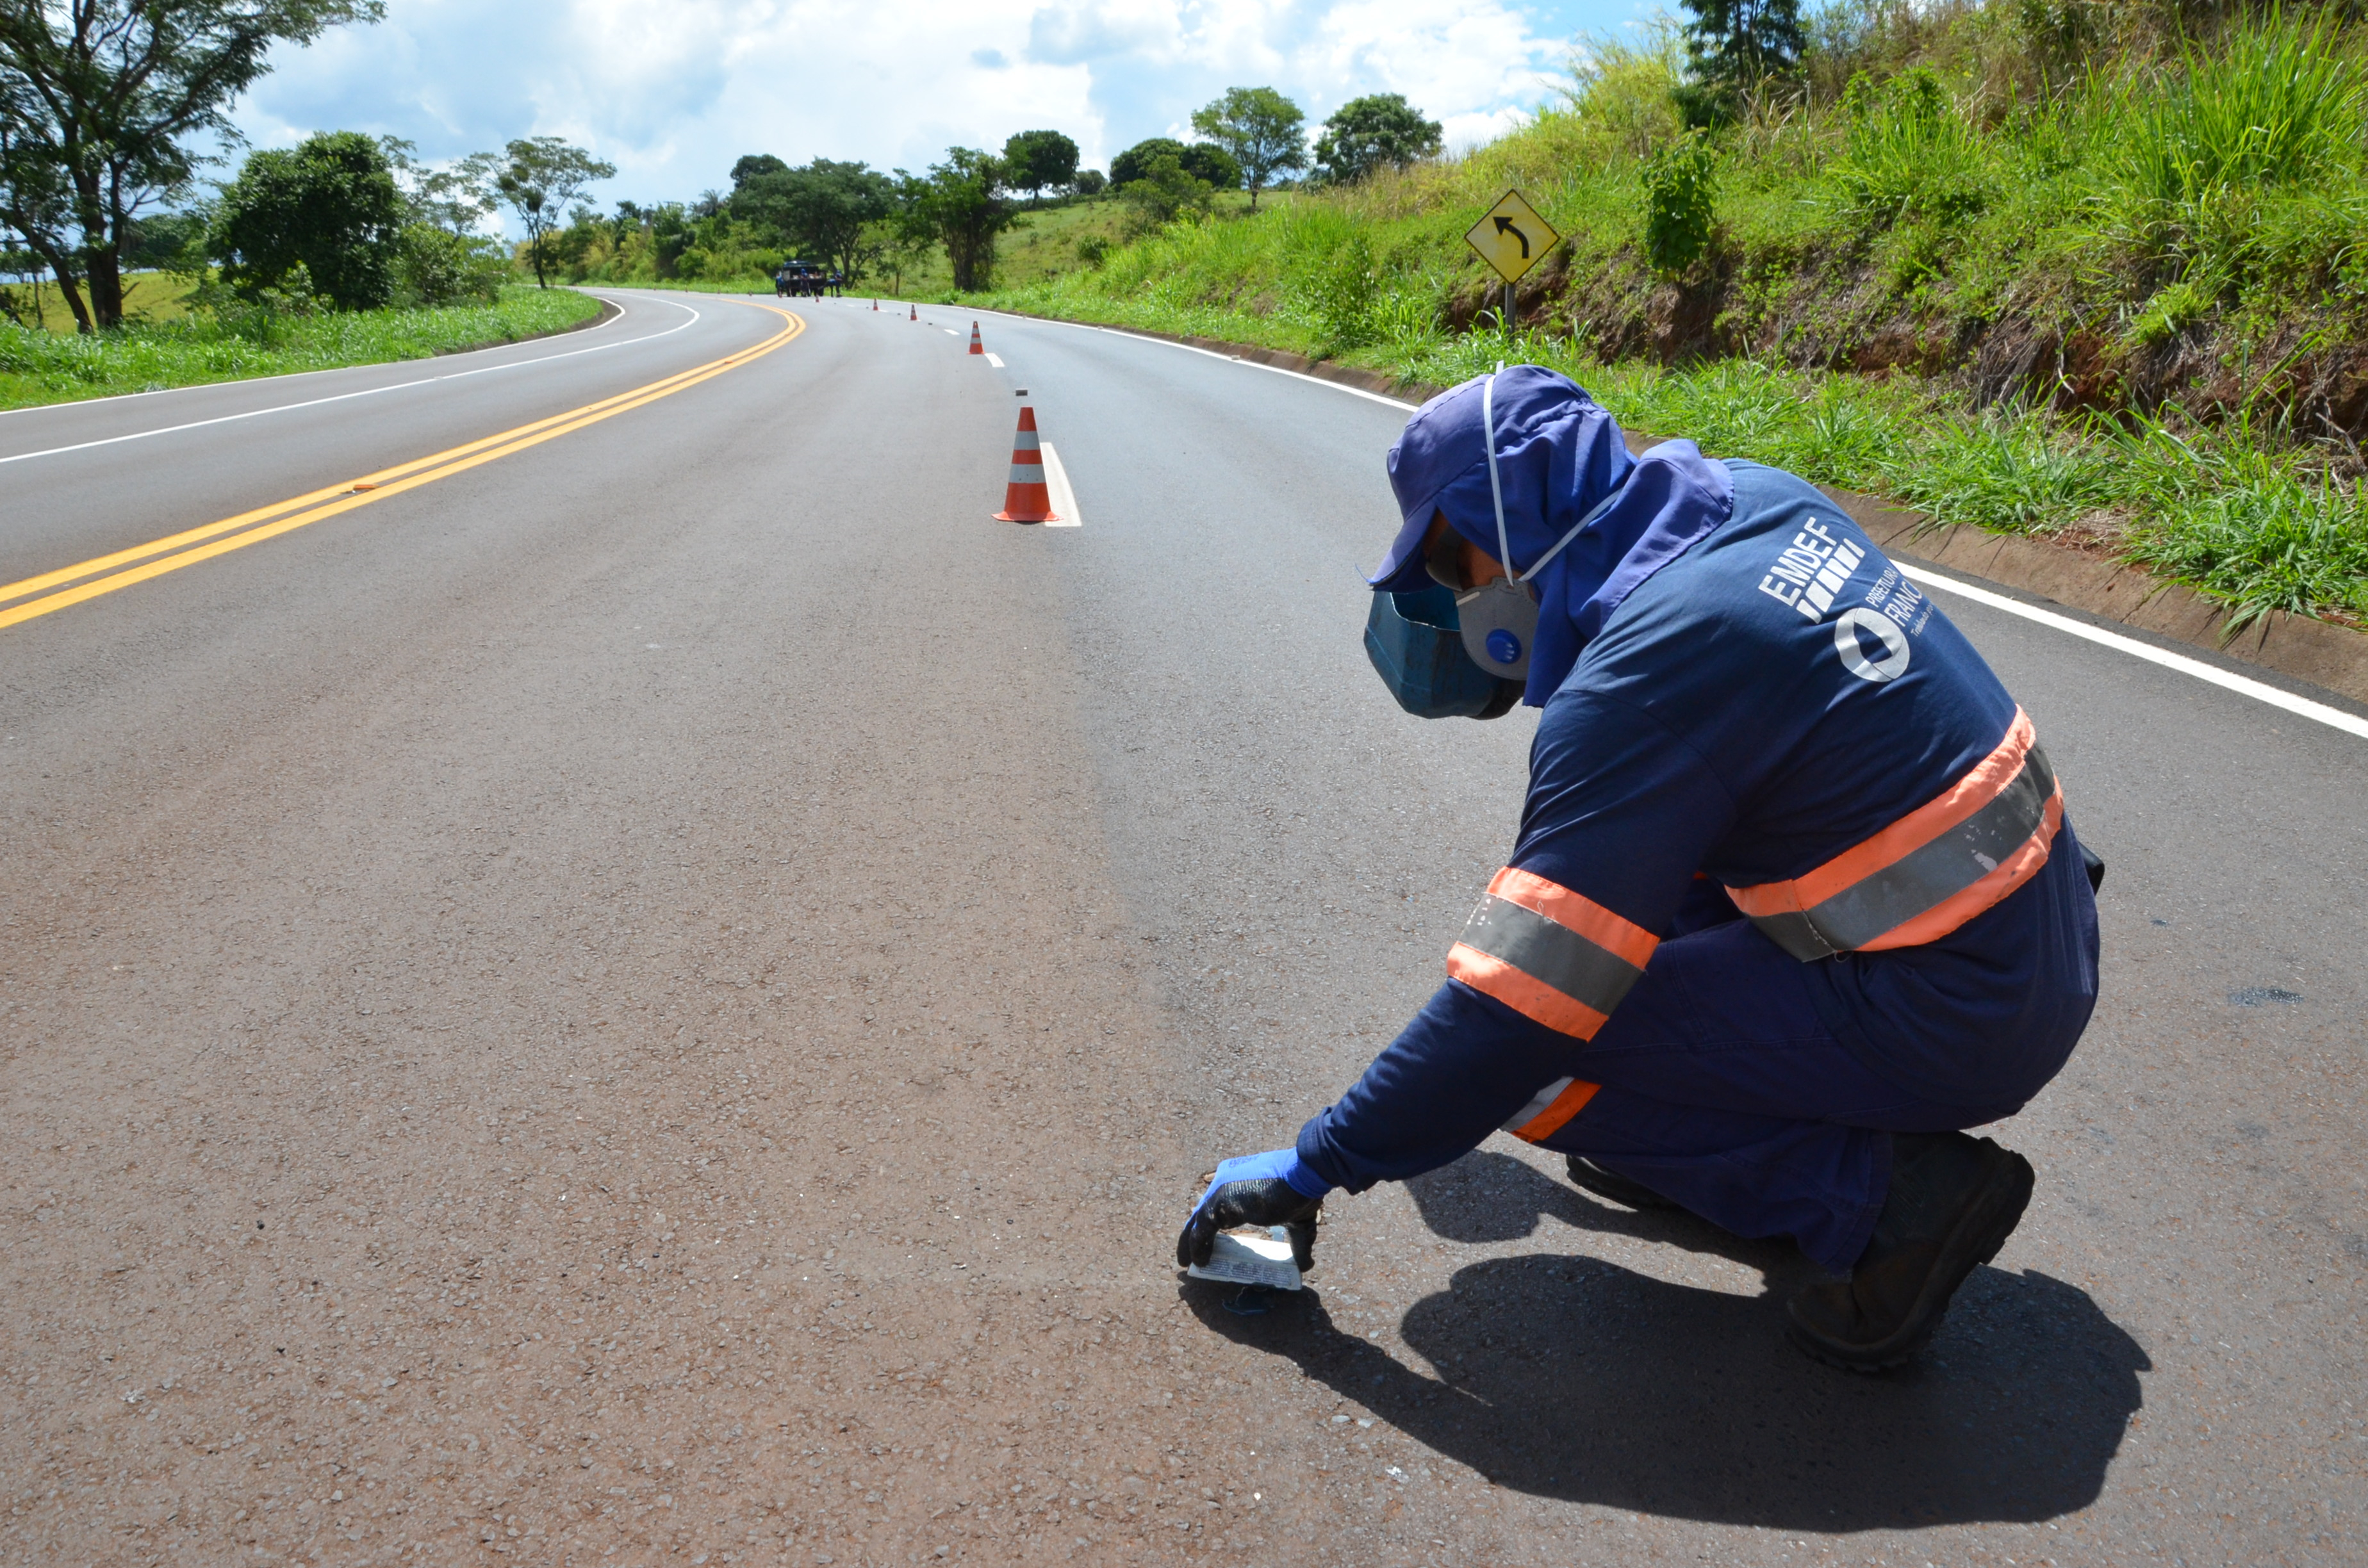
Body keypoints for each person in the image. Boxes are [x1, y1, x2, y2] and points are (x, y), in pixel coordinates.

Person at [1176, 366, 2101, 1371]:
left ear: (1515, 519)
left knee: (1539, 1063)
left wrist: (1317, 1164)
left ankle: (1886, 1200)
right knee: (1626, 934)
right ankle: (1717, 1138)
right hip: (2036, 925)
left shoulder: (1645, 680)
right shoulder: (1756, 499)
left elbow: (1516, 1008)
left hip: (1961, 1008)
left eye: (1455, 566)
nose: (1460, 598)